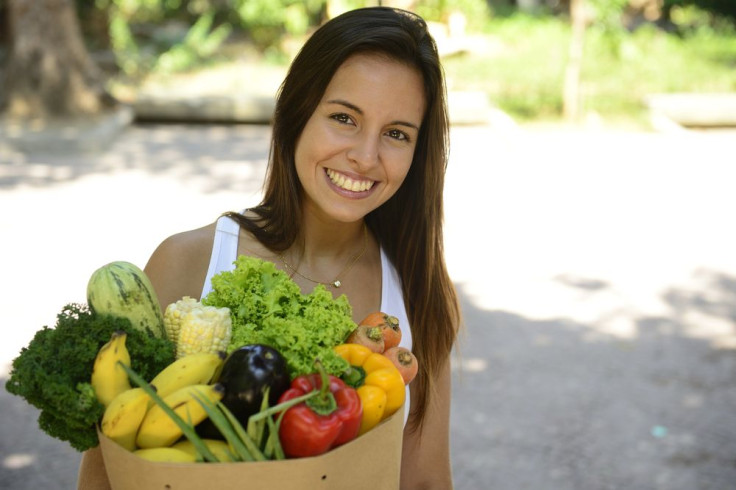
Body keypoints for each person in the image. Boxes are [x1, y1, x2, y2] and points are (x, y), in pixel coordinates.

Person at [77, 6, 460, 489]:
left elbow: (424, 481)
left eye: (397, 133)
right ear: (295, 114)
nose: (366, 157)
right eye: (344, 118)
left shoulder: (419, 292)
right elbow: (104, 475)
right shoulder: (187, 262)